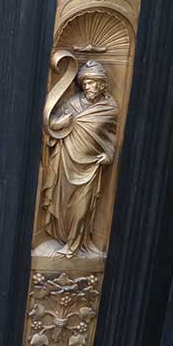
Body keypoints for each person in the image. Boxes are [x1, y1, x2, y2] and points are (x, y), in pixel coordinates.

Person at [39, 59, 119, 258]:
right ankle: (63, 238)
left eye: (92, 83)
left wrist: (108, 155)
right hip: (67, 162)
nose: (88, 87)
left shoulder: (109, 109)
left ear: (101, 84)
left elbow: (111, 136)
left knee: (81, 210)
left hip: (90, 166)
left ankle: (73, 246)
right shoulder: (73, 104)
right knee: (63, 206)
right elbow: (51, 124)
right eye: (85, 83)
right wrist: (61, 122)